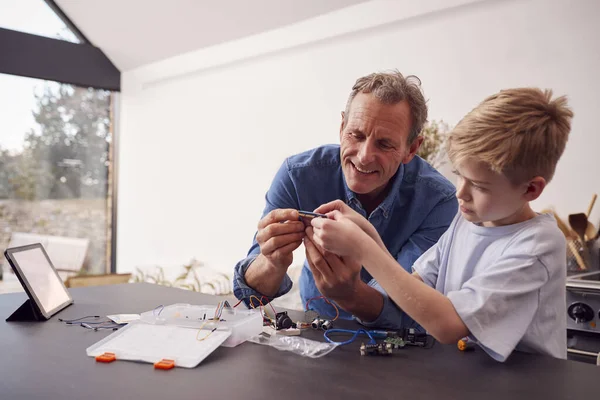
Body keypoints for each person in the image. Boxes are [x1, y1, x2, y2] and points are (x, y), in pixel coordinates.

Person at [308, 88, 573, 361]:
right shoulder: (468, 221)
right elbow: (411, 287)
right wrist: (368, 234)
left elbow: (448, 326)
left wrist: (363, 248)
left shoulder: (538, 244)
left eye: (479, 186)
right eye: (460, 176)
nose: (461, 192)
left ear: (531, 189)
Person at [233, 71, 458, 328]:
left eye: (384, 144)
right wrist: (271, 262)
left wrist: (350, 295)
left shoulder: (438, 201)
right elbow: (249, 297)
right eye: (356, 135)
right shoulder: (298, 176)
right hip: (316, 326)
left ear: (412, 149)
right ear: (342, 128)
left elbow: (413, 308)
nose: (364, 157)